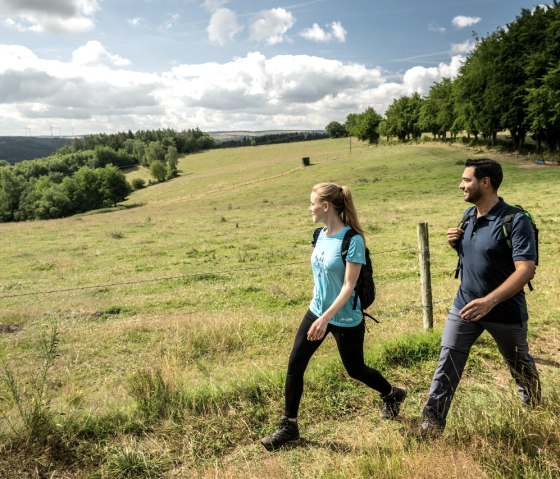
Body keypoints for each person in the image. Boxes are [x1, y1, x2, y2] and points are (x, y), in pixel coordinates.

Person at [261, 182, 406, 451]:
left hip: (345, 317)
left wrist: (326, 318)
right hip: (316, 311)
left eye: (312, 202)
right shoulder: (319, 235)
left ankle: (392, 394)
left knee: (355, 369)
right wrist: (319, 312)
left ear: (326, 206)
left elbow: (348, 286)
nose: (309, 207)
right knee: (295, 364)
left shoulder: (353, 240)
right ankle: (289, 426)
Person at [421, 158, 541, 437]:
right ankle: (431, 423)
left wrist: (490, 301)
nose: (461, 184)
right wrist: (457, 245)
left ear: (485, 183)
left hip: (504, 310)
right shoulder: (468, 215)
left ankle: (535, 408)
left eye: (467, 180)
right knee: (448, 358)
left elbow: (526, 270)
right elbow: (479, 257)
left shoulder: (515, 220)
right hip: (465, 303)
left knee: (520, 365)